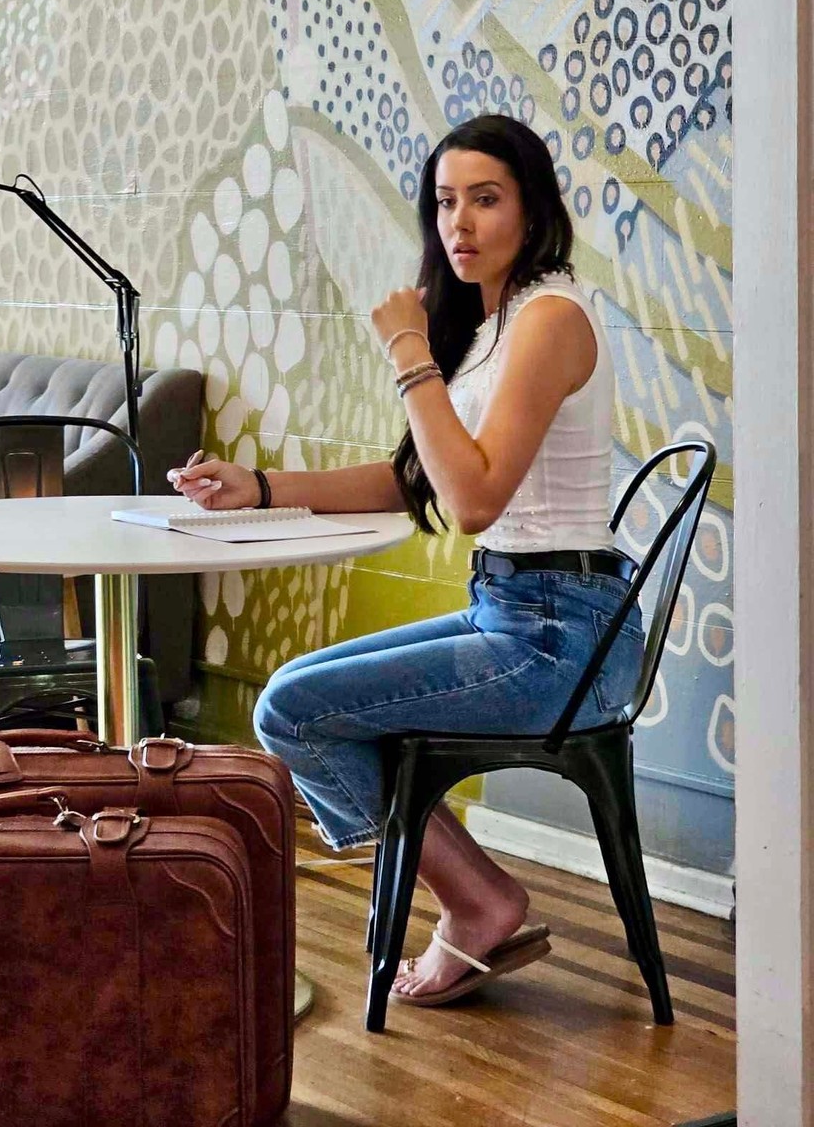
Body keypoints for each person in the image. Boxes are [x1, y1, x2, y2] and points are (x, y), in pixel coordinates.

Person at [168, 113, 643, 1008]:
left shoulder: (549, 318)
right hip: (517, 612)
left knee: (294, 711)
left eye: (485, 200)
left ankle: (477, 901)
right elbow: (416, 478)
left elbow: (474, 501)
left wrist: (408, 352)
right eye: (445, 202)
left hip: (561, 640)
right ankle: (479, 894)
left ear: (533, 210)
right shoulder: (499, 322)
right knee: (293, 696)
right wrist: (259, 486)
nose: (458, 223)